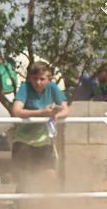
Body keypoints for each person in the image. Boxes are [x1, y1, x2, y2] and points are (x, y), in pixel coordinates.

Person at [10, 61, 69, 191]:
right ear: (30, 78)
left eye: (42, 79)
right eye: (34, 78)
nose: (38, 82)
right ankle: (20, 203)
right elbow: (16, 111)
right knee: (25, 179)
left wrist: (55, 116)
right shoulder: (25, 87)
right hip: (23, 141)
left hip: (44, 141)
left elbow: (66, 110)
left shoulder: (53, 88)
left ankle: (50, 203)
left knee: (51, 176)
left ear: (49, 79)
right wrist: (42, 112)